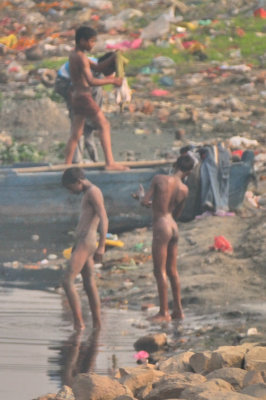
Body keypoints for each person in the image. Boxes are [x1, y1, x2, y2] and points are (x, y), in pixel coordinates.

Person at [133, 154, 195, 323]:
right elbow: (176, 213)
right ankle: (178, 310)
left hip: (161, 226)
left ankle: (164, 312)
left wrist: (140, 196)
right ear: (189, 172)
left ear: (175, 164)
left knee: (159, 271)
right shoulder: (184, 189)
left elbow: (146, 201)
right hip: (173, 226)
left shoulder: (159, 179)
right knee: (172, 271)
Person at [65, 26, 128, 170]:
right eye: (91, 41)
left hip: (76, 96)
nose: (93, 44)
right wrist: (113, 81)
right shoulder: (80, 57)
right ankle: (110, 163)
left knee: (76, 133)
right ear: (82, 41)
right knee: (104, 125)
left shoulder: (75, 54)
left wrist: (113, 57)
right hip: (84, 97)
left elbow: (98, 67)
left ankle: (66, 165)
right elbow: (92, 81)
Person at [62, 167, 108, 331]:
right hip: (82, 241)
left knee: (67, 281)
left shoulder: (93, 192)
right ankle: (97, 324)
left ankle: (79, 324)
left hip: (86, 242)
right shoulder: (88, 193)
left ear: (79, 182)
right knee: (89, 283)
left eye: (70, 187)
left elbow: (104, 217)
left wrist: (102, 245)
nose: (71, 191)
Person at [55, 52, 116, 163]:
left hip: (80, 92)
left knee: (86, 128)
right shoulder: (88, 66)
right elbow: (85, 84)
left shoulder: (97, 71)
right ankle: (75, 162)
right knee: (80, 128)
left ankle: (89, 159)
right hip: (66, 84)